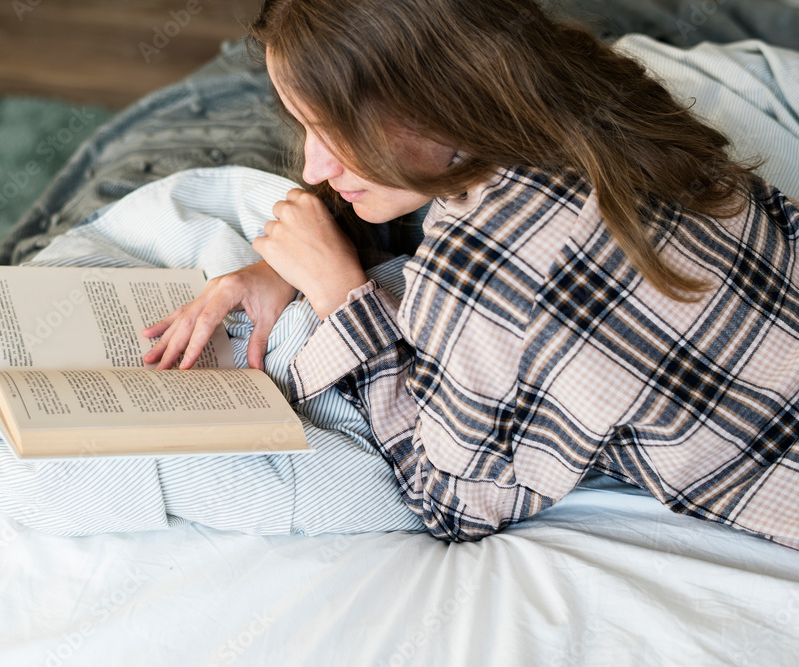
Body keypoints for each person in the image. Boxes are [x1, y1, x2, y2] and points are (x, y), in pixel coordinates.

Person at [142, 0, 799, 548]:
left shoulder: (479, 267)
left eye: (335, 128)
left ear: (429, 94)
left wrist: (341, 294)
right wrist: (296, 255)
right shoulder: (598, 89)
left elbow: (454, 502)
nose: (314, 167)